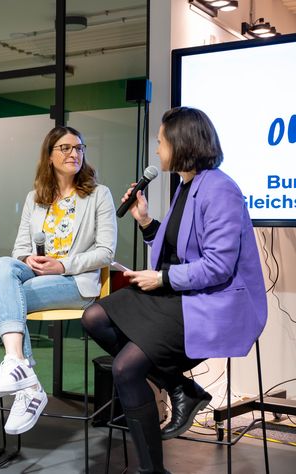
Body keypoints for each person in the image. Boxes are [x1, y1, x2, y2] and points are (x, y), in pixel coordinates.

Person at [81, 107, 267, 473]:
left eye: (161, 142)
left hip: (212, 302)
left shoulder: (220, 189)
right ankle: (180, 388)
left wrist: (162, 279)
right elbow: (180, 249)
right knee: (95, 317)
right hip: (181, 294)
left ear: (181, 143)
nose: (156, 151)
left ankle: (152, 469)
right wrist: (147, 222)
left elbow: (217, 266)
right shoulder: (188, 184)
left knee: (126, 368)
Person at [0, 126, 117, 435]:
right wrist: (26, 260)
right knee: (4, 264)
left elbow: (106, 252)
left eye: (79, 148)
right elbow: (20, 249)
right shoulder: (36, 198)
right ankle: (24, 374)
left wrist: (62, 264)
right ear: (49, 155)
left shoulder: (99, 194)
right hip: (36, 277)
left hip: (75, 283)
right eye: (66, 148)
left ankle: (23, 378)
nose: (74, 153)